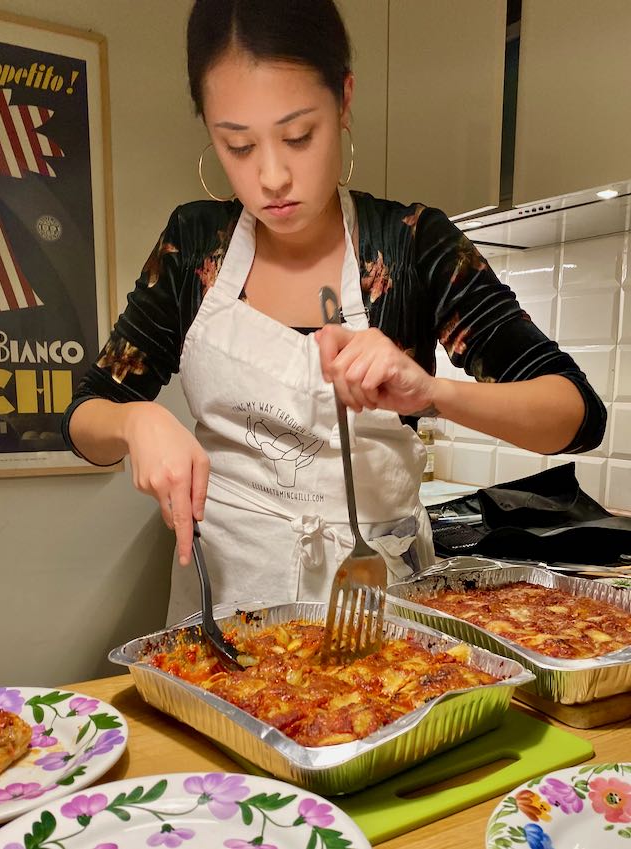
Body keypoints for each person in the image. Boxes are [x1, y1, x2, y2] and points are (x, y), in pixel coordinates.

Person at [62, 0, 606, 624]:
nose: (271, 176)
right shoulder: (193, 246)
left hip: (382, 620)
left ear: (344, 100)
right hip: (224, 622)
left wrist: (429, 393)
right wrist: (136, 424)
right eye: (237, 145)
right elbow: (85, 420)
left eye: (298, 136)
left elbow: (577, 415)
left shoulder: (411, 243)